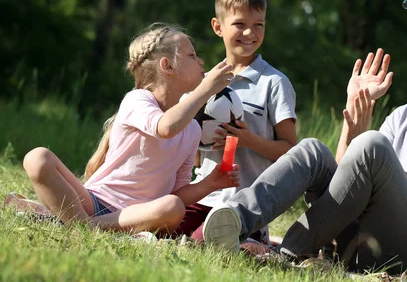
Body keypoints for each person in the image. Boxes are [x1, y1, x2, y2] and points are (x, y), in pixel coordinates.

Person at [213, 20, 407, 282]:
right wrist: (352, 130)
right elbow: (345, 185)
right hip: (360, 241)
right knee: (313, 151)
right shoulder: (406, 115)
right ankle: (231, 224)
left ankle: (287, 253)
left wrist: (368, 151)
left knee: (372, 145)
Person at [19, 23, 241, 246]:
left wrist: (211, 183)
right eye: (192, 55)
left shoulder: (192, 130)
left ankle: (78, 225)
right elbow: (165, 128)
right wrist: (205, 90)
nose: (201, 61)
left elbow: (177, 192)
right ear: (168, 66)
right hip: (95, 201)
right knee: (37, 158)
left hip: (138, 216)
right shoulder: (137, 100)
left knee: (173, 206)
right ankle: (84, 226)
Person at [172, 0, 297, 245]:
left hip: (246, 203)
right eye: (240, 24)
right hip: (203, 195)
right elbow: (193, 159)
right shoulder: (204, 82)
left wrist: (248, 140)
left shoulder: (274, 83)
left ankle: (256, 240)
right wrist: (200, 141)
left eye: (258, 25)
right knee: (162, 232)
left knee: (204, 242)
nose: (249, 33)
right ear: (218, 26)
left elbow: (290, 150)